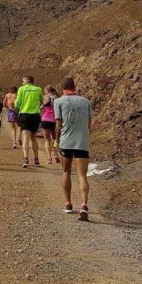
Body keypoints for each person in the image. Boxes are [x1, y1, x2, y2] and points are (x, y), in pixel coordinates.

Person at [54, 77, 93, 221]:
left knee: (66, 172)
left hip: (66, 141)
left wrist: (56, 141)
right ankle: (84, 204)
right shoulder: (86, 101)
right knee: (82, 175)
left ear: (63, 89)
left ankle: (68, 203)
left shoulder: (58, 102)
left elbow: (58, 124)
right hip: (82, 142)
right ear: (74, 87)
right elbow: (89, 123)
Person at [14, 75, 43, 168]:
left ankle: (26, 159)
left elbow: (17, 102)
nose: (22, 82)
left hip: (25, 115)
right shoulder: (38, 89)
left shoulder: (21, 89)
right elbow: (42, 100)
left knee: (25, 137)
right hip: (35, 115)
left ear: (27, 80)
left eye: (23, 81)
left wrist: (16, 112)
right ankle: (36, 159)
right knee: (33, 138)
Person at [40, 85, 59, 164]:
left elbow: (41, 108)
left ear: (47, 91)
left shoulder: (45, 98)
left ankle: (49, 157)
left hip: (45, 119)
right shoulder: (57, 99)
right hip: (54, 120)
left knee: (47, 139)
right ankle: (56, 154)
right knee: (55, 139)